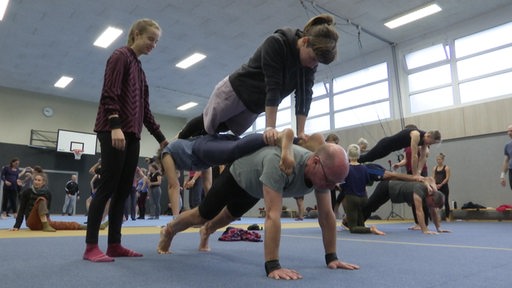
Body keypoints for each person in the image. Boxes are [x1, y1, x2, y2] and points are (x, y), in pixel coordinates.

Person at [157, 141, 360, 280]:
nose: (329, 186)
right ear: (315, 161)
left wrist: (332, 257)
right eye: (328, 180)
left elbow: (326, 215)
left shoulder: (324, 175)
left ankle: (206, 233)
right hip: (238, 175)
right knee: (203, 214)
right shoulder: (281, 163)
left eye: (335, 182)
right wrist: (273, 266)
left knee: (229, 217)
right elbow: (272, 215)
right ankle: (170, 229)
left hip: (255, 187)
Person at [177, 14, 339, 145]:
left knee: (220, 128)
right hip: (236, 90)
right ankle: (177, 142)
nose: (313, 65)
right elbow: (273, 86)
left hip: (255, 105)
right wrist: (270, 127)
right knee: (205, 124)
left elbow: (304, 95)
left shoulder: (308, 65)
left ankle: (184, 143)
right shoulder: (277, 43)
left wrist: (301, 132)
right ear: (304, 41)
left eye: (317, 62)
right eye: (312, 58)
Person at [83, 18, 169, 263]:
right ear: (136, 35)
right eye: (150, 39)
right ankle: (91, 246)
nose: (154, 44)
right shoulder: (120, 56)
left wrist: (161, 139)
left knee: (123, 191)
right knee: (108, 186)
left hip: (132, 135)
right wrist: (115, 126)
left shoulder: (140, 71)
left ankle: (114, 244)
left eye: (156, 41)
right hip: (113, 131)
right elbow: (109, 93)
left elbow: (145, 111)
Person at [159, 130, 296, 217]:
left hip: (205, 144)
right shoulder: (193, 161)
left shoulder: (167, 154)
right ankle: (298, 143)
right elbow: (208, 185)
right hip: (211, 145)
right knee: (244, 151)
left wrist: (175, 219)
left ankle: (280, 136)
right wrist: (210, 212)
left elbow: (173, 186)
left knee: (236, 149)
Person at [10, 172, 107, 232]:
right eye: (35, 179)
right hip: (32, 222)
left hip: (45, 221)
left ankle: (95, 227)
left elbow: (47, 209)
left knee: (67, 225)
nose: (36, 182)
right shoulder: (27, 192)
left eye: (39, 180)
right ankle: (46, 225)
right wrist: (17, 226)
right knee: (41, 199)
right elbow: (22, 209)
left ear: (43, 182)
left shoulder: (47, 193)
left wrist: (48, 221)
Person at [362, 177, 450, 235]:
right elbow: (419, 211)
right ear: (431, 197)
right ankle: (354, 222)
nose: (431, 206)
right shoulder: (420, 190)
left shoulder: (430, 197)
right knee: (370, 206)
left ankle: (356, 222)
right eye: (433, 204)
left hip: (391, 192)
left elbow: (433, 212)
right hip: (387, 187)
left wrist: (439, 228)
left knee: (372, 208)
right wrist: (425, 230)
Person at [358, 127, 441, 176]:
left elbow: (423, 157)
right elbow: (414, 156)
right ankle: (351, 160)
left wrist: (419, 172)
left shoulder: (424, 141)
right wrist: (415, 174)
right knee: (368, 157)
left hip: (390, 149)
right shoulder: (416, 134)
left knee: (369, 158)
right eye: (430, 142)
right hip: (385, 145)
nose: (429, 144)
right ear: (429, 136)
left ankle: (353, 160)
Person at [433, 153, 451, 219]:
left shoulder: (446, 168)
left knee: (446, 201)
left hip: (444, 186)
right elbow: (433, 177)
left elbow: (447, 178)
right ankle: (437, 216)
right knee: (436, 201)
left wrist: (441, 184)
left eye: (439, 159)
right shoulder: (435, 168)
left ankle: (447, 217)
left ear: (442, 160)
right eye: (437, 159)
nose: (438, 161)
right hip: (437, 186)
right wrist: (435, 184)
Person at [500, 124, 512, 189]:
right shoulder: (507, 146)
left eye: (511, 131)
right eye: (508, 131)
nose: (509, 133)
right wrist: (502, 176)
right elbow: (506, 161)